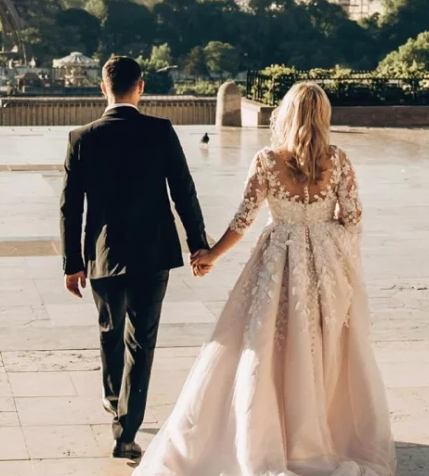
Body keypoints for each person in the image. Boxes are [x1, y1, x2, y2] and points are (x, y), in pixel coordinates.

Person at [135, 81, 394, 475]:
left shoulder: (268, 160)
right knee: (320, 346)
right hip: (325, 267)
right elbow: (353, 218)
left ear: (285, 114)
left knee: (267, 345)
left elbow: (244, 220)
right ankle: (315, 433)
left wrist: (210, 255)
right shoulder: (338, 159)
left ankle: (269, 433)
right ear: (323, 117)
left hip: (277, 261)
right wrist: (325, 240)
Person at [61, 54, 214, 462]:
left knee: (109, 332)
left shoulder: (82, 137)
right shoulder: (160, 131)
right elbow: (184, 191)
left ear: (102, 88)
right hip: (153, 252)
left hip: (103, 254)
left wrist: (72, 262)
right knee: (141, 341)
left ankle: (114, 401)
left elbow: (70, 208)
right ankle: (126, 430)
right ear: (141, 86)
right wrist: (198, 243)